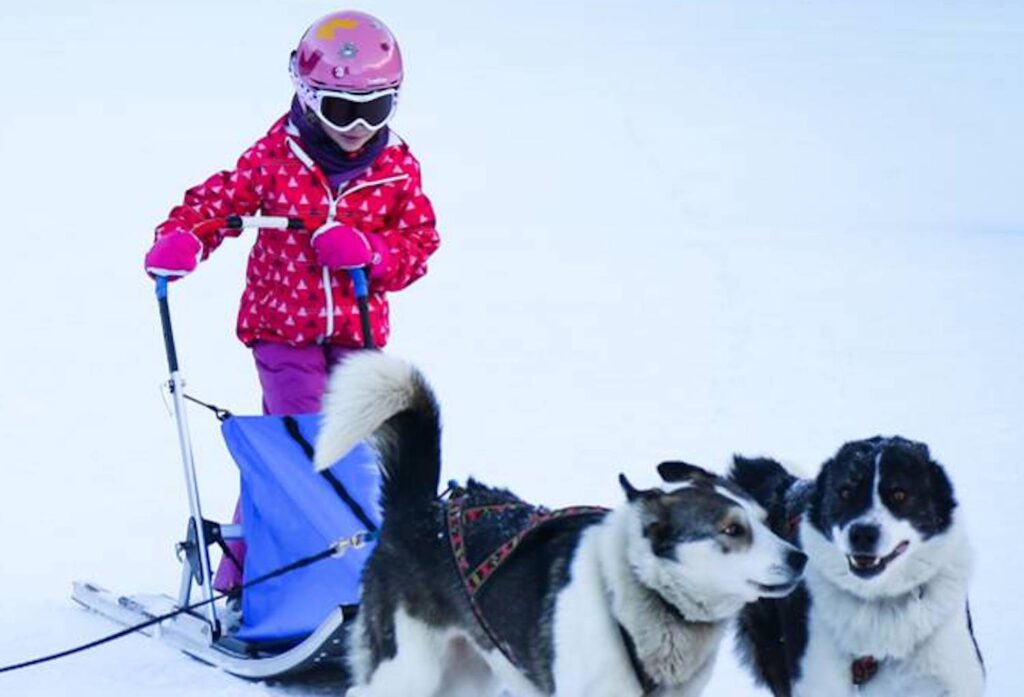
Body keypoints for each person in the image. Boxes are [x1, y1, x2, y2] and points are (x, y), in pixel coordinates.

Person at [144, 9, 439, 593]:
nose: (357, 126)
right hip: (282, 333)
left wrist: (370, 252)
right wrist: (182, 238)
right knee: (301, 439)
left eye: (374, 109)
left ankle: (324, 571)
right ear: (306, 97)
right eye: (340, 109)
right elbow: (217, 202)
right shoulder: (277, 158)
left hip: (358, 333)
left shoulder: (396, 170)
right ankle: (270, 581)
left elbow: (418, 245)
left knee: (353, 449)